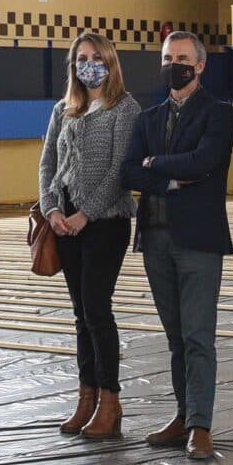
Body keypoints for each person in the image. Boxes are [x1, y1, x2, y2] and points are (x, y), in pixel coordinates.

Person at [122, 30, 233, 461]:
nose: (175, 64)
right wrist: (169, 176)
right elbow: (130, 172)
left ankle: (200, 427)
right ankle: (183, 415)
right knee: (175, 338)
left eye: (183, 57)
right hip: (155, 237)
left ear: (200, 65)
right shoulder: (147, 117)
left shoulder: (218, 113)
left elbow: (205, 162)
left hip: (199, 240)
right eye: (168, 57)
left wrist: (155, 164)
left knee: (198, 336)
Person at [34, 33, 141, 441]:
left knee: (97, 310)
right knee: (80, 316)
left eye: (97, 57)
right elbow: (48, 164)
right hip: (64, 226)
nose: (89, 64)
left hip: (105, 223)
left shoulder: (124, 108)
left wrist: (86, 214)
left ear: (110, 63)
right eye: (82, 58)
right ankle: (86, 396)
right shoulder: (64, 109)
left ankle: (110, 401)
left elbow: (120, 171)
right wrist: (53, 210)